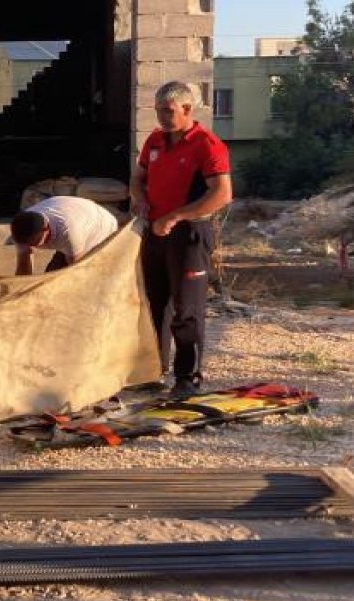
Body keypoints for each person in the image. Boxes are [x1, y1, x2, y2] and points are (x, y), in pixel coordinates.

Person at [130, 81, 233, 399]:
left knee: (186, 308)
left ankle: (188, 378)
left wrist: (176, 217)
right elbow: (138, 178)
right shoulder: (155, 141)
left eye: (168, 110)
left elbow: (222, 194)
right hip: (154, 231)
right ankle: (151, 371)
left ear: (187, 109)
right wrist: (139, 198)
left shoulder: (207, 144)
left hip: (188, 235)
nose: (161, 116)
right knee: (154, 303)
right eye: (158, 109)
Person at [10, 195, 119, 275]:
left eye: (35, 242)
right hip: (75, 211)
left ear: (46, 229)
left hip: (101, 227)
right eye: (27, 243)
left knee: (64, 277)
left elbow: (75, 271)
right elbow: (24, 267)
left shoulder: (69, 232)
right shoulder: (21, 229)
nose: (31, 245)